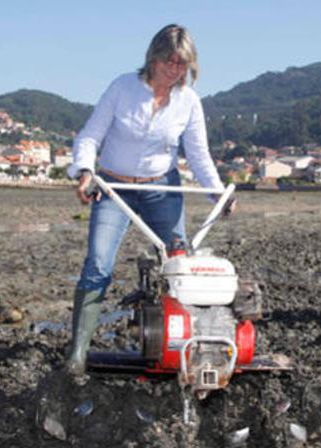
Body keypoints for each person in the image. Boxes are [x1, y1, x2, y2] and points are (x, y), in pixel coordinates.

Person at [65, 24, 233, 376]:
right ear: (153, 58)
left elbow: (199, 156)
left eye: (182, 64)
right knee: (98, 263)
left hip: (161, 188)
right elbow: (91, 135)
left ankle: (186, 347)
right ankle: (77, 355)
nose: (175, 70)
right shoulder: (123, 88)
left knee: (180, 262)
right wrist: (83, 172)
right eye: (169, 61)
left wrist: (218, 192)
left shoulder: (188, 101)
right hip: (114, 187)